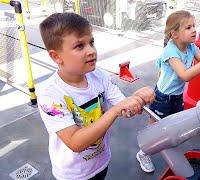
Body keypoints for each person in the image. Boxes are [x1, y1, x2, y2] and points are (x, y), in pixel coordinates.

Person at [37, 13, 155, 180]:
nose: (91, 51)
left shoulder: (98, 76)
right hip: (73, 175)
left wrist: (137, 99)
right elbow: (75, 142)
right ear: (56, 56)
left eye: (91, 42)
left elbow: (123, 107)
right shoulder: (50, 96)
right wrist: (115, 111)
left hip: (101, 163)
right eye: (79, 46)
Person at [135, 10, 200, 173]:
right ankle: (143, 152)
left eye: (194, 26)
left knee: (174, 125)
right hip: (162, 97)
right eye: (188, 27)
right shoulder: (171, 51)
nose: (194, 30)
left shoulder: (190, 46)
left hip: (176, 96)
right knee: (154, 128)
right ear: (174, 34)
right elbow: (185, 75)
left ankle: (164, 148)